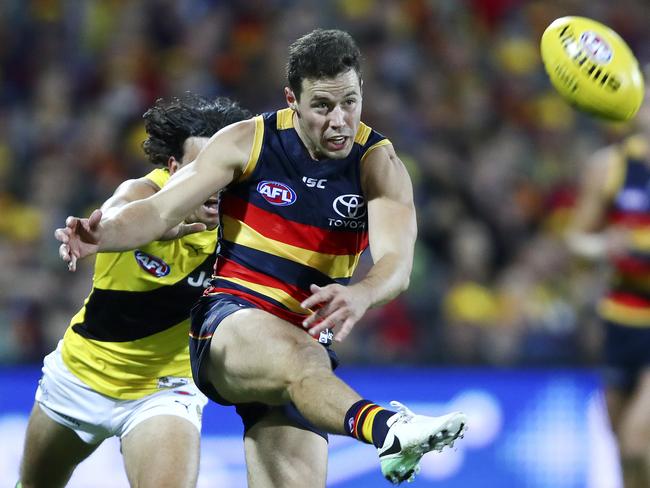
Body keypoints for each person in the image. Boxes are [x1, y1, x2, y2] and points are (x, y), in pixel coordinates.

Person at [55, 29, 467, 486]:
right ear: (292, 99)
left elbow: (397, 265)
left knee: (302, 373)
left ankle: (383, 435)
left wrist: (361, 295)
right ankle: (388, 430)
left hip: (303, 349)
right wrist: (102, 234)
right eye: (323, 106)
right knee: (302, 359)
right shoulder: (247, 142)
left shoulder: (378, 165)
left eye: (350, 102)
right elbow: (158, 209)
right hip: (230, 323)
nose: (339, 121)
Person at [18, 93, 251, 488]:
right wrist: (100, 234)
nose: (211, 186)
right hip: (80, 375)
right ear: (174, 168)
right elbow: (121, 216)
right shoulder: (141, 195)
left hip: (164, 388)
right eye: (199, 170)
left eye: (221, 172)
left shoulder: (244, 227)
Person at [566, 88, 650, 488]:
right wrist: (604, 245)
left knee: (638, 441)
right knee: (622, 447)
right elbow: (575, 238)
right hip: (619, 319)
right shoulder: (609, 166)